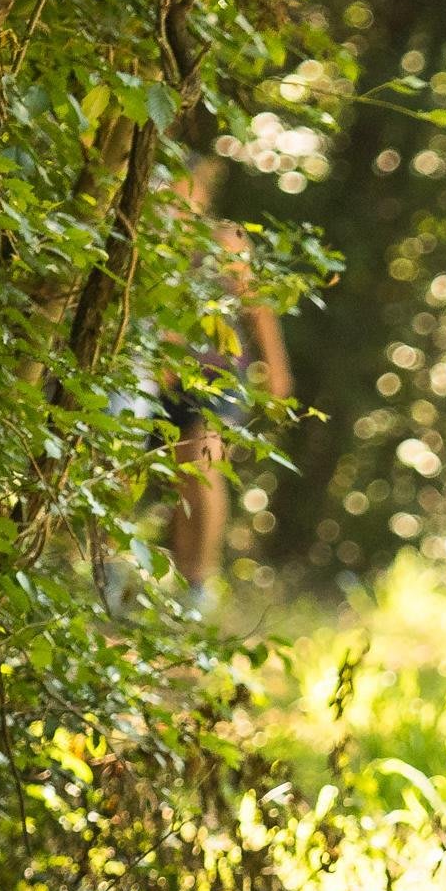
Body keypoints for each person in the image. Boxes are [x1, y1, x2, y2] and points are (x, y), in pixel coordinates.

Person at [158, 155, 292, 604]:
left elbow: (258, 308)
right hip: (167, 374)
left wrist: (277, 369)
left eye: (185, 187)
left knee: (203, 462)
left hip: (217, 374)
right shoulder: (158, 240)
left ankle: (200, 581)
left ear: (202, 192)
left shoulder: (224, 240)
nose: (177, 196)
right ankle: (182, 580)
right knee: (181, 475)